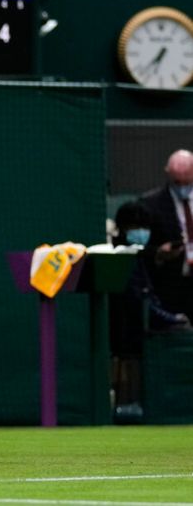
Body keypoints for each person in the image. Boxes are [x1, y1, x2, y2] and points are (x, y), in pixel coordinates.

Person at [108, 200, 191, 421]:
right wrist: (172, 319)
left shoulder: (141, 256)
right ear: (123, 229)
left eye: (144, 227)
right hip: (126, 335)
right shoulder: (120, 258)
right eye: (135, 227)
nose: (141, 232)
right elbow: (140, 299)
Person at [139, 149, 193, 328]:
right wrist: (159, 254)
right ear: (168, 174)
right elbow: (139, 250)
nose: (183, 187)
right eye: (178, 182)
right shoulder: (149, 204)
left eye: (187, 181)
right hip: (169, 288)